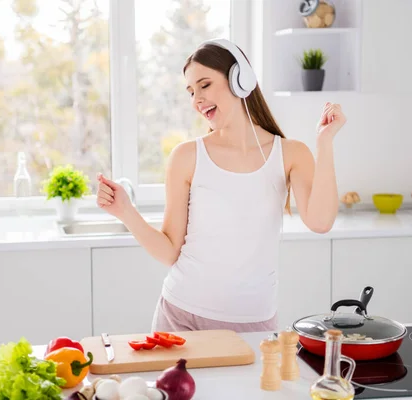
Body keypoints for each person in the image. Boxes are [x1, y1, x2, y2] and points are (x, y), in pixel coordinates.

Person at [95, 38, 345, 333]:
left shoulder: (291, 153)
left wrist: (325, 143)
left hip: (254, 323)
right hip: (181, 316)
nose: (196, 99)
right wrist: (126, 211)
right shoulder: (187, 156)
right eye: (191, 91)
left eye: (204, 85)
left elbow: (320, 222)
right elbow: (169, 252)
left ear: (240, 80)